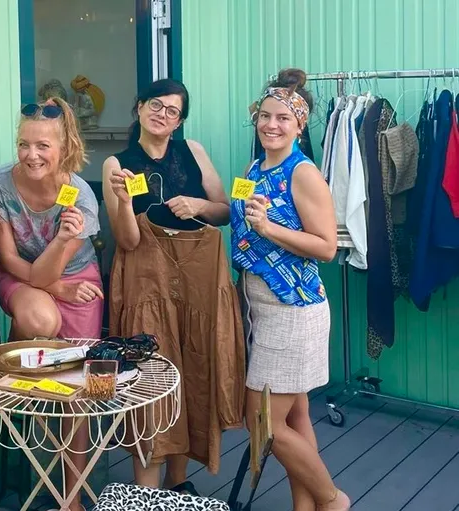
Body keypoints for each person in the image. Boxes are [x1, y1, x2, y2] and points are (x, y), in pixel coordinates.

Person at [103, 79, 246, 492]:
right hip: (146, 282)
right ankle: (145, 493)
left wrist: (201, 205)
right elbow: (127, 241)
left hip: (198, 279)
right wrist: (126, 205)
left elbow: (223, 212)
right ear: (139, 107)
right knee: (152, 376)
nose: (162, 115)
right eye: (156, 105)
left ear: (180, 120)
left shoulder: (193, 151)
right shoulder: (118, 164)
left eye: (172, 111)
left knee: (193, 368)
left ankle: (178, 486)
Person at [231, 69, 349, 510]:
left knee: (262, 423)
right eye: (265, 116)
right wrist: (207, 207)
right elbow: (240, 214)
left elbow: (326, 247)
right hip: (261, 307)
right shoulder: (253, 167)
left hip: (293, 308)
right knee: (296, 416)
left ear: (299, 126)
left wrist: (270, 228)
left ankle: (332, 499)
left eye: (283, 118)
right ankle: (307, 506)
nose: (271, 125)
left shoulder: (304, 173)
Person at [0, 97, 102, 511]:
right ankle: (20, 382)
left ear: (64, 146)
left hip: (76, 277)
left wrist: (60, 244)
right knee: (40, 321)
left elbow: (48, 271)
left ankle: (72, 494)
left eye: (42, 146)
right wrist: (58, 290)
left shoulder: (81, 198)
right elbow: (13, 262)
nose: (31, 155)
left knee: (79, 388)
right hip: (21, 277)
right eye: (24, 144)